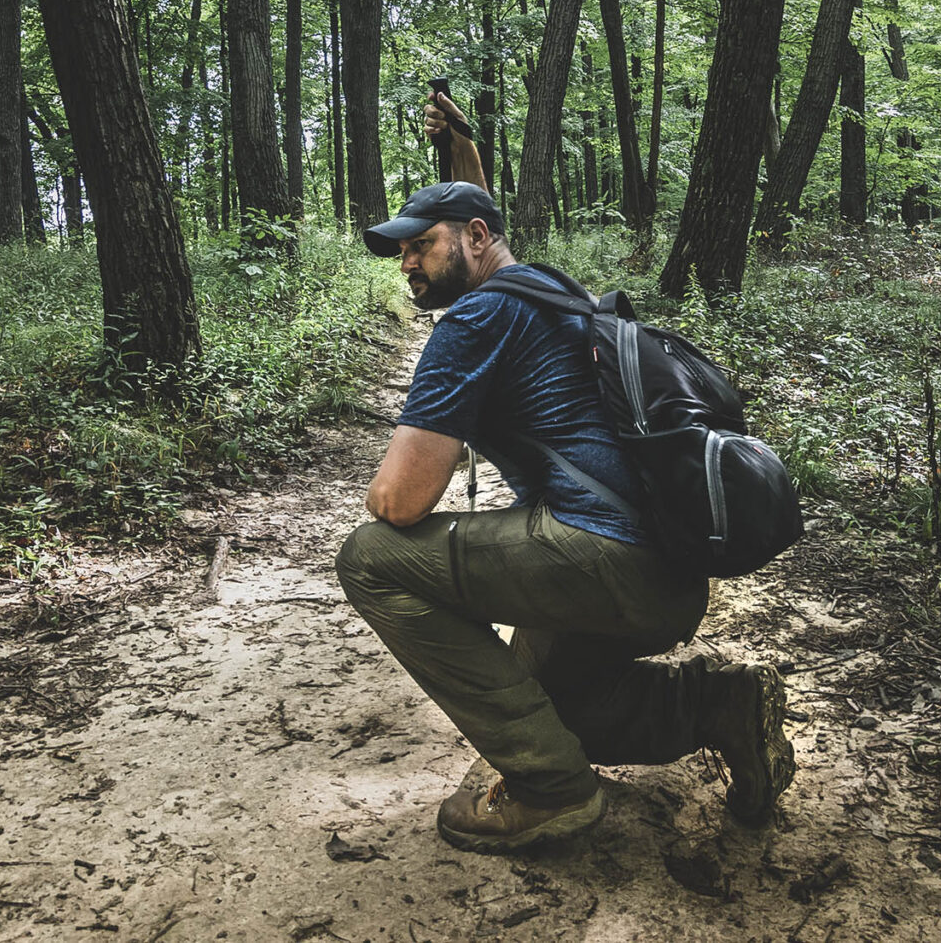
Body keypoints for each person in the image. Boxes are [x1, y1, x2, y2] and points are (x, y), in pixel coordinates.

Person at [334, 178, 797, 853]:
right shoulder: (550, 288)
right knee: (558, 709)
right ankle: (719, 704)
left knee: (370, 559)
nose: (408, 263)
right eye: (402, 251)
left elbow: (401, 502)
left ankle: (550, 789)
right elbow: (480, 205)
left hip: (607, 563)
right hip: (670, 572)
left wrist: (388, 480)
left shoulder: (472, 321)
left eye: (422, 245)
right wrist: (461, 144)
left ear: (477, 238)